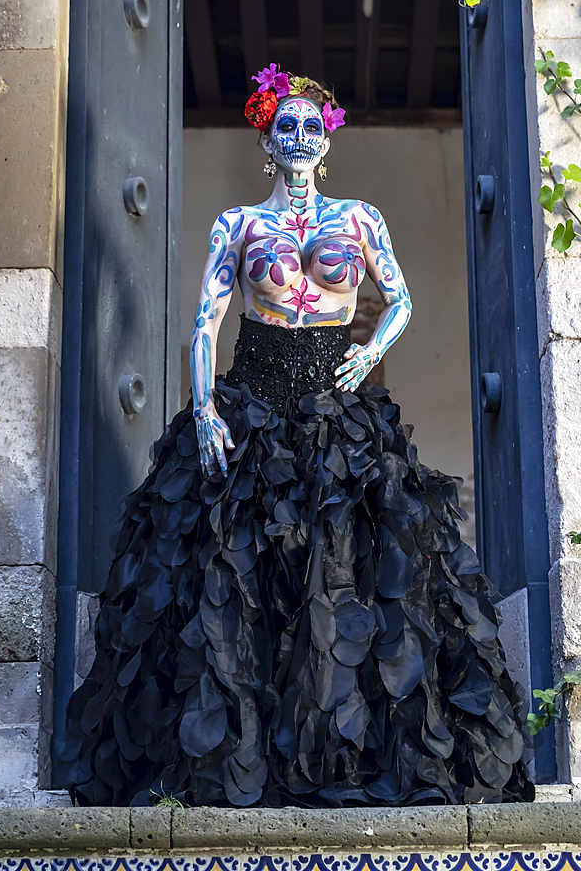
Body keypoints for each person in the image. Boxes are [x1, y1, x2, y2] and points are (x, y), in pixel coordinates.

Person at [60, 66, 534, 807]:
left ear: (326, 141)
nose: (300, 137)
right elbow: (206, 321)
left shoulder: (359, 217)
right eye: (287, 126)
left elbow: (402, 297)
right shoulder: (238, 224)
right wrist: (206, 408)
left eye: (312, 126)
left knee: (343, 572)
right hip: (249, 401)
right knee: (236, 580)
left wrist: (372, 349)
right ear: (268, 142)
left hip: (335, 403)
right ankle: (235, 757)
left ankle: (337, 758)